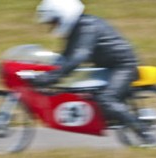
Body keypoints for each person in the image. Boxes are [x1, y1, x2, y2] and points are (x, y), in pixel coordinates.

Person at [33, 0, 144, 136]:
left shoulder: (87, 26)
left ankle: (144, 132)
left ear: (63, 15)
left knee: (106, 100)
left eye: (54, 21)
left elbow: (78, 57)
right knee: (84, 93)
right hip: (107, 66)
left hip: (122, 65)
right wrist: (44, 73)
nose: (53, 26)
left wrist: (51, 77)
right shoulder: (76, 29)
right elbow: (65, 58)